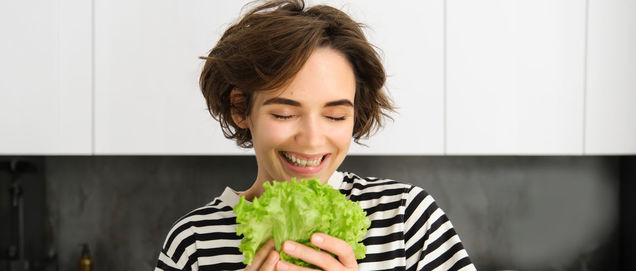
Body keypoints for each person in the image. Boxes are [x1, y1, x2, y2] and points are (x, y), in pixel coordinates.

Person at [156, 0, 476, 270]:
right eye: (284, 113)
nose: (312, 139)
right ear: (241, 108)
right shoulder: (194, 241)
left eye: (335, 115)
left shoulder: (407, 219)